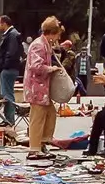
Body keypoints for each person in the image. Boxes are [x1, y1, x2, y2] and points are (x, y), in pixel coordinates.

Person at [23, 17, 71, 154]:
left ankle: (43, 141)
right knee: (37, 118)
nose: (59, 37)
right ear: (52, 32)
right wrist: (51, 69)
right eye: (58, 34)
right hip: (37, 87)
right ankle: (34, 148)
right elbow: (35, 66)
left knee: (50, 113)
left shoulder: (45, 44)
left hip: (42, 87)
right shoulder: (39, 45)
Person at [0, 15, 26, 130]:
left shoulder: (11, 35)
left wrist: (4, 66)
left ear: (4, 23)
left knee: (7, 94)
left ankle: (9, 119)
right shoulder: (13, 34)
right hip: (10, 68)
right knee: (7, 93)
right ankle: (7, 119)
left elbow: (11, 53)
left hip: (8, 69)